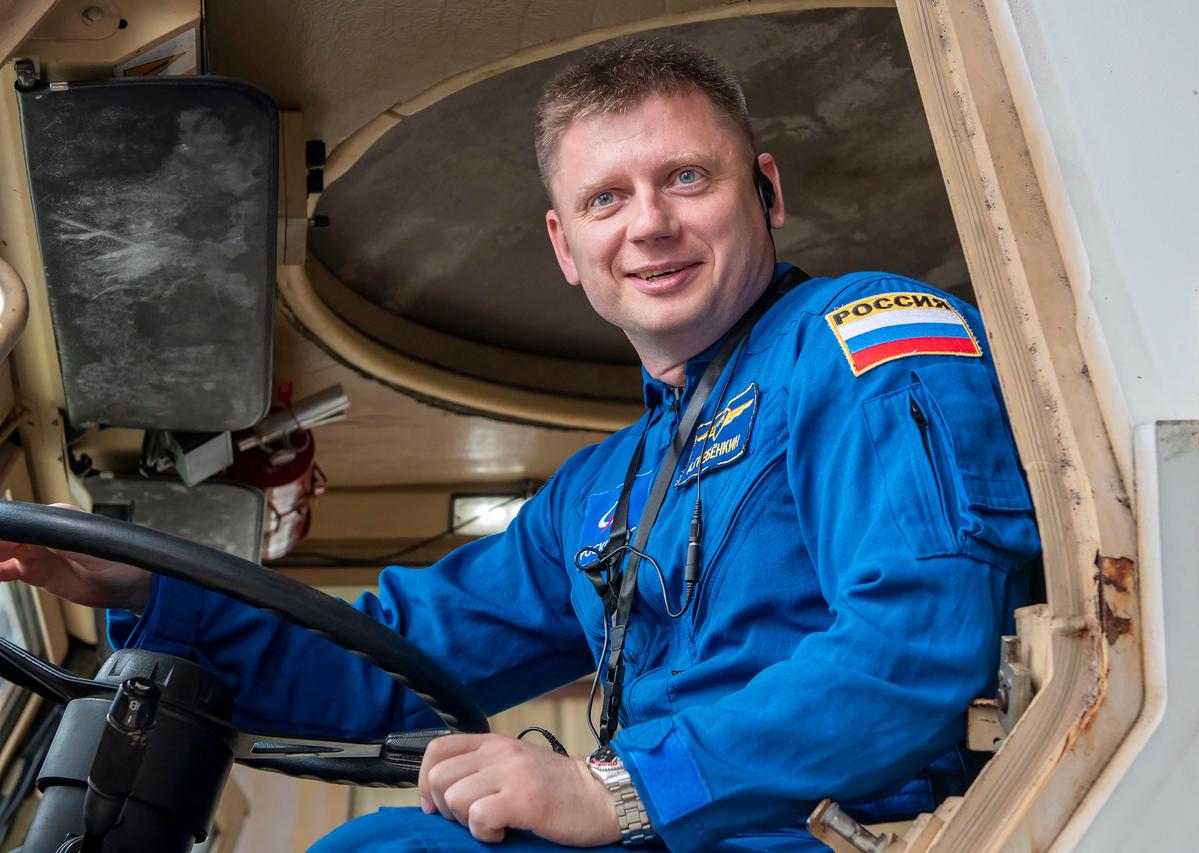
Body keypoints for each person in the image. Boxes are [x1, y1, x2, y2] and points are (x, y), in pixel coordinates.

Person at [0, 40, 1039, 852]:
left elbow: (913, 650)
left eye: (684, 178)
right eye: (605, 198)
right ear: (564, 247)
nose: (647, 226)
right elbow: (393, 659)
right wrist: (139, 589)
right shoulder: (601, 491)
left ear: (763, 191)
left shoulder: (862, 338)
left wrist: (622, 788)